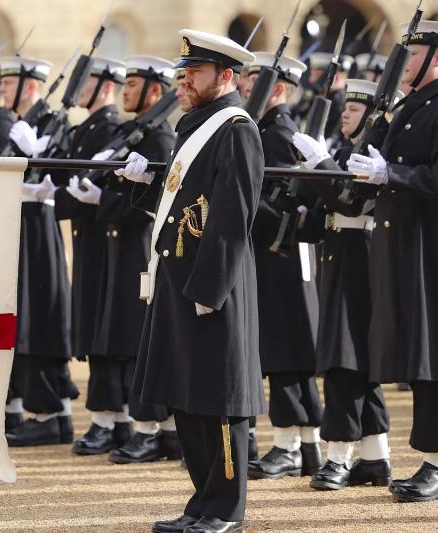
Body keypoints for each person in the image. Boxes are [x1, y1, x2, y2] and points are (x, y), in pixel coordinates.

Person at [119, 30, 264, 533]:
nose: (183, 82)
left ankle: (225, 510)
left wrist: (207, 291)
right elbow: (184, 199)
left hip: (211, 289)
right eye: (183, 73)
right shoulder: (195, 125)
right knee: (187, 396)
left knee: (219, 402)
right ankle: (202, 501)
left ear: (225, 76)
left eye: (194, 73)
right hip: (179, 282)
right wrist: (147, 185)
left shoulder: (236, 129)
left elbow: (233, 219)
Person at [345, 19, 438, 503]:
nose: (401, 63)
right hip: (404, 246)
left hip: (431, 248)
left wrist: (392, 174)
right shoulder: (408, 106)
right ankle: (434, 458)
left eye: (413, 55)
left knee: (434, 355)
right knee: (420, 357)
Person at [71, 55, 181, 464]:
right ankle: (119, 422)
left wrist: (106, 200)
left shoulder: (161, 139)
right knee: (113, 335)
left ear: (155, 91)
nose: (125, 92)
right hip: (118, 247)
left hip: (141, 248)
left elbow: (159, 202)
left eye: (133, 85)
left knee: (137, 340)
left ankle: (150, 430)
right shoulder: (134, 132)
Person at [292, 79, 392, 491]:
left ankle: (338, 456)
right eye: (345, 108)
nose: (344, 114)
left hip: (359, 260)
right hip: (339, 257)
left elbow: (349, 201)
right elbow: (324, 214)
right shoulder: (345, 152)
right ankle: (375, 458)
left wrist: (321, 166)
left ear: (371, 116)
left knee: (344, 361)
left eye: (353, 110)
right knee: (353, 361)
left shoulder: (371, 152)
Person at [35, 57, 129, 454]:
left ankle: (112, 420)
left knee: (107, 332)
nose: (81, 87)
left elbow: (93, 188)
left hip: (108, 241)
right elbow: (68, 180)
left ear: (106, 86)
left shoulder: (110, 129)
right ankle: (114, 419)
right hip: (90, 239)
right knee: (94, 329)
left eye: (88, 81)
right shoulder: (87, 128)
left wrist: (67, 193)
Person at [243, 52, 324, 481]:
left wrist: (239, 197)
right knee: (289, 349)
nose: (243, 86)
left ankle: (288, 446)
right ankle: (307, 445)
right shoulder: (268, 129)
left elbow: (286, 203)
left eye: (252, 81)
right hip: (278, 252)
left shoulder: (277, 133)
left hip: (280, 254)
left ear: (276, 88)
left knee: (283, 349)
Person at [0, 56, 77, 446]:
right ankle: (52, 415)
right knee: (25, 314)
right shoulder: (15, 124)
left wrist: (36, 154)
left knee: (40, 314)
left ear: (30, 87)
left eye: (9, 83)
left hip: (39, 225)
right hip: (18, 223)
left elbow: (61, 176)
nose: (2, 89)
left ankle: (48, 414)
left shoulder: (54, 123)